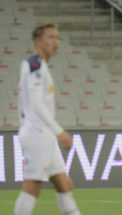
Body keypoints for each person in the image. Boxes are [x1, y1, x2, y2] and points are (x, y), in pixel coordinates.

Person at [15, 24, 80, 215]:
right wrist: (59, 131)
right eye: (50, 37)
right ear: (38, 40)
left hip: (45, 135)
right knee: (32, 186)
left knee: (64, 185)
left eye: (58, 37)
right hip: (37, 134)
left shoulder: (40, 66)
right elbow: (36, 103)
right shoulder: (34, 65)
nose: (56, 41)